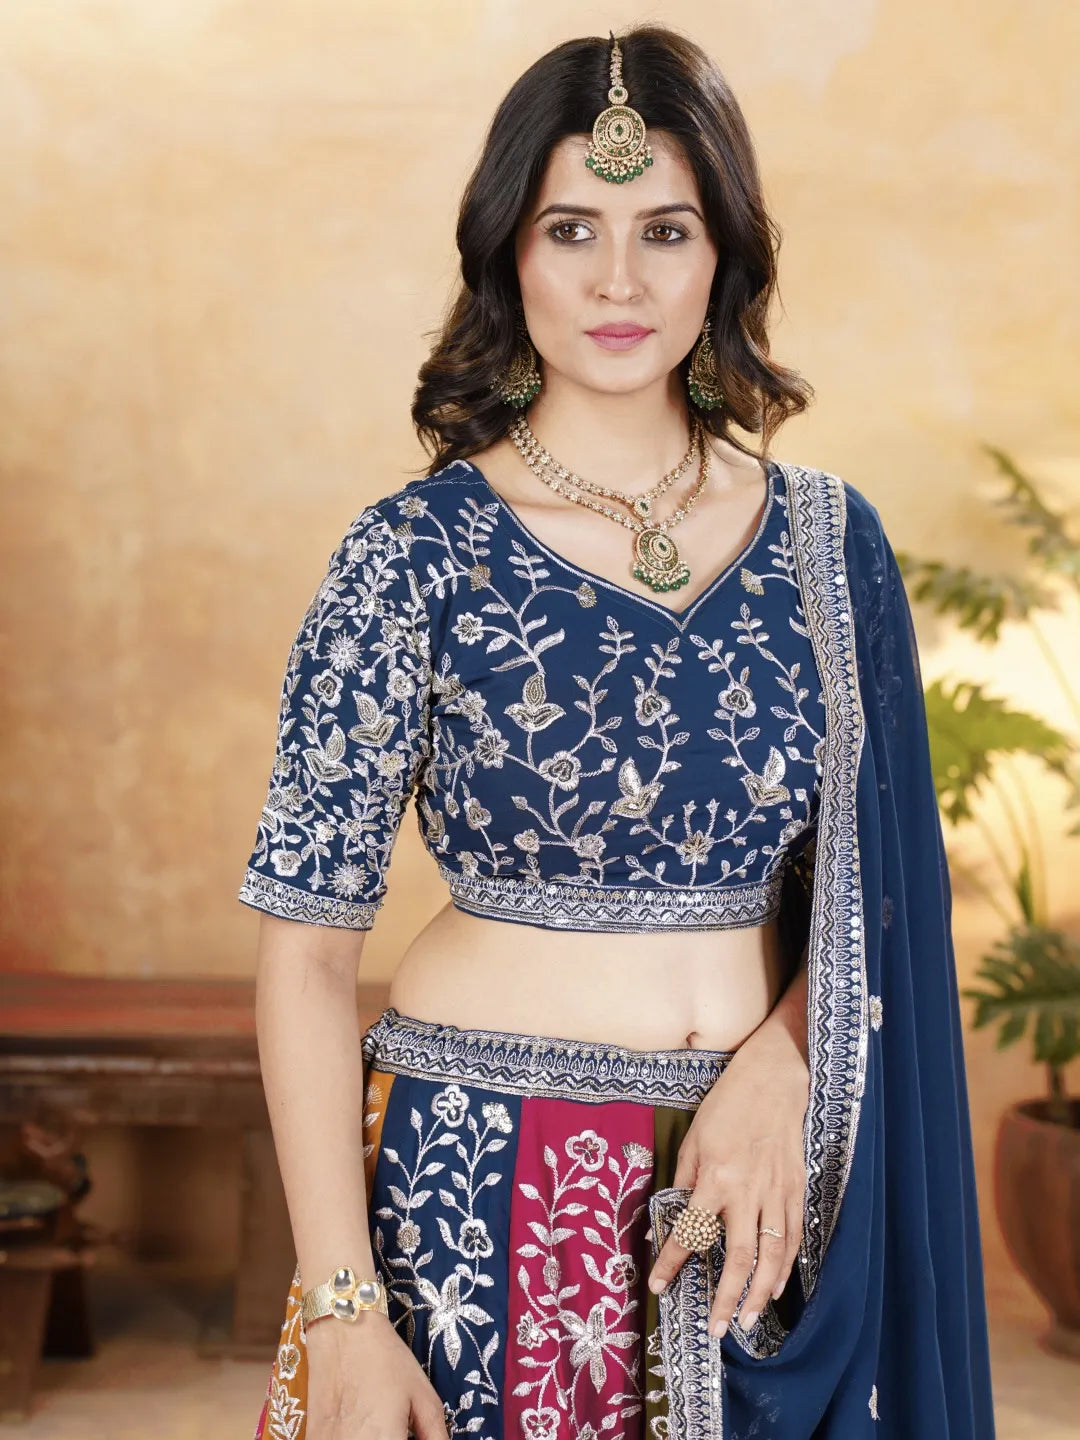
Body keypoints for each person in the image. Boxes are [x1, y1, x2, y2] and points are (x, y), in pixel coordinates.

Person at [240, 25, 995, 1440]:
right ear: (506, 253)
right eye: (570, 228)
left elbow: (874, 898)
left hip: (766, 1182)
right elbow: (306, 950)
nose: (617, 280)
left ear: (726, 260)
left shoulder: (831, 548)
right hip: (478, 1179)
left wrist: (781, 1058)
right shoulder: (410, 556)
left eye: (666, 229)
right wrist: (344, 1305)